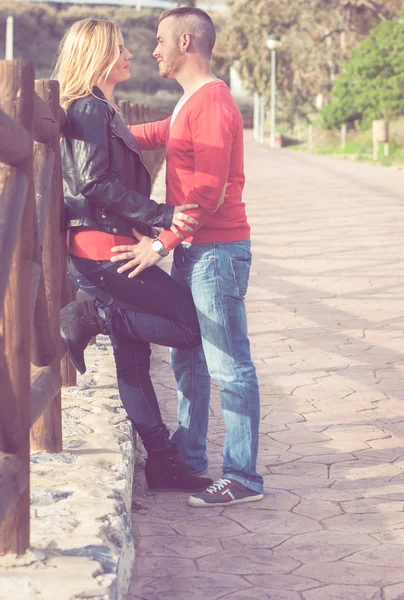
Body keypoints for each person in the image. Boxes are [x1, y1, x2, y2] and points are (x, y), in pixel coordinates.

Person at [110, 7, 264, 507]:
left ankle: (243, 477)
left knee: (228, 364)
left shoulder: (214, 103)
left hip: (216, 251)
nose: (153, 49)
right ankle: (191, 456)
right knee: (190, 358)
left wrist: (159, 245)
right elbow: (156, 134)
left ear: (186, 42)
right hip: (197, 248)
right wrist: (99, 131)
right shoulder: (189, 103)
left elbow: (209, 192)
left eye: (160, 40)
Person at [54, 17, 213, 493]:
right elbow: (93, 183)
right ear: (101, 54)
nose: (130, 55)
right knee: (191, 325)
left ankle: (161, 464)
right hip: (103, 254)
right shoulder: (88, 107)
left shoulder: (104, 107)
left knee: (134, 362)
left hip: (112, 247)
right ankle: (93, 316)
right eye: (121, 48)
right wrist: (163, 215)